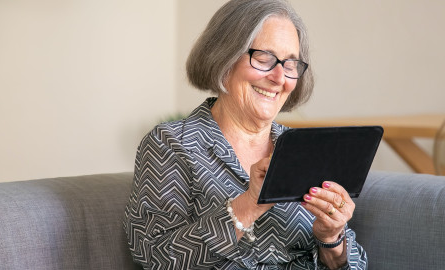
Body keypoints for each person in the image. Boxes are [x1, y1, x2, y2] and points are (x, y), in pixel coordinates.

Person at [124, 0, 367, 269]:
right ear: (224, 59)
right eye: (264, 58)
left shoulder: (301, 149)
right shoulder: (172, 144)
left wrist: (331, 239)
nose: (279, 77)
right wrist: (249, 204)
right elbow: (156, 258)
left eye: (290, 65)